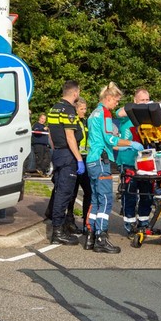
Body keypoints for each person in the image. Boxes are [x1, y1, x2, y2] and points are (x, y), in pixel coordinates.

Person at [86, 82, 144, 253]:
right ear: (108, 98)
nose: (116, 104)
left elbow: (103, 140)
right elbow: (110, 140)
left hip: (92, 159)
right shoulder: (104, 113)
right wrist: (131, 143)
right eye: (116, 101)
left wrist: (123, 146)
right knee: (105, 200)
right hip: (101, 159)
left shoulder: (93, 113)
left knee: (96, 199)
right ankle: (102, 238)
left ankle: (92, 235)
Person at [46, 80, 85, 245]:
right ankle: (58, 232)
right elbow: (70, 136)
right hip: (68, 155)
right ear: (75, 93)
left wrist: (55, 152)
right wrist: (78, 159)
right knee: (64, 193)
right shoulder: (69, 110)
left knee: (60, 191)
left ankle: (59, 228)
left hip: (58, 153)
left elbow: (50, 135)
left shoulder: (54, 108)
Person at [116, 88, 153, 238]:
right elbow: (118, 113)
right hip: (128, 160)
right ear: (135, 100)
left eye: (147, 100)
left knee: (147, 194)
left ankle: (143, 222)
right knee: (130, 194)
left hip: (145, 161)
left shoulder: (149, 116)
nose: (145, 103)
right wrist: (138, 107)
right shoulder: (128, 114)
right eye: (141, 100)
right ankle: (129, 224)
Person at [68, 98, 92, 234]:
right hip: (75, 160)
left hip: (85, 159)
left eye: (85, 109)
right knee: (72, 193)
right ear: (75, 109)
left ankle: (86, 222)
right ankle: (69, 220)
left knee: (89, 191)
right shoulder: (73, 122)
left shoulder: (84, 122)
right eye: (82, 109)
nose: (84, 111)